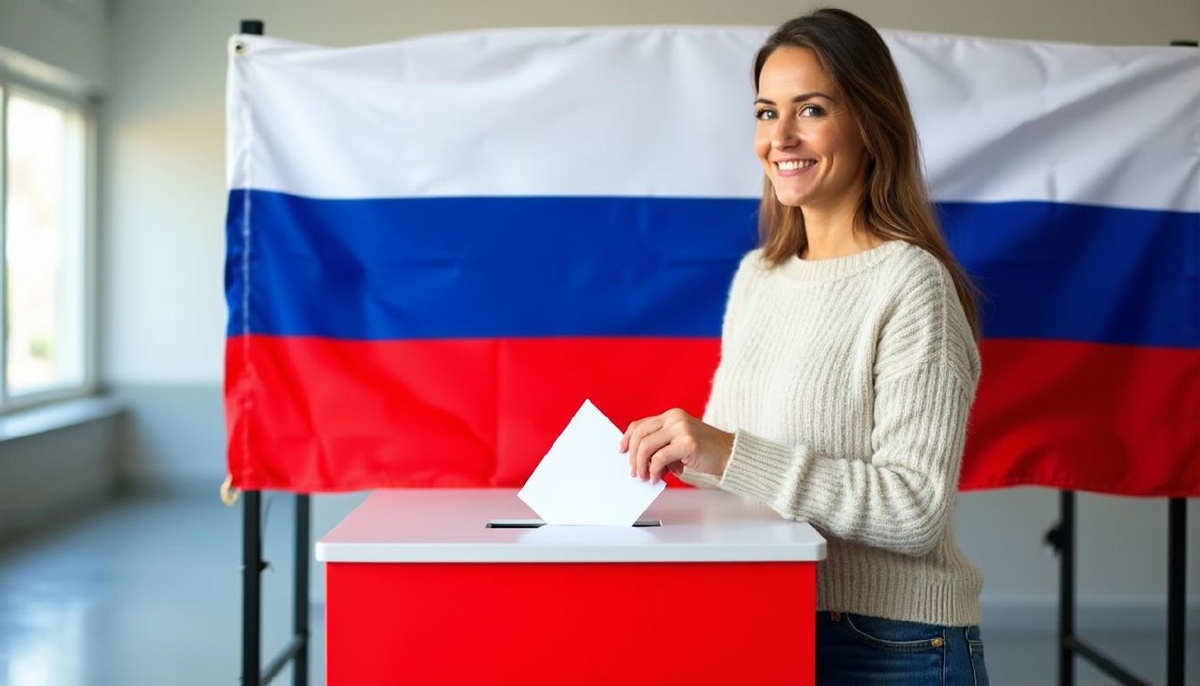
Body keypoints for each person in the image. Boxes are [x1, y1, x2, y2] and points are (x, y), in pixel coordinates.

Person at [619, 8, 989, 684]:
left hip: (893, 645)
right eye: (766, 113)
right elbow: (734, 470)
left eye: (810, 109)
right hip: (768, 615)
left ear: (870, 122)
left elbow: (915, 510)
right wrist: (677, 453)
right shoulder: (758, 277)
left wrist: (726, 451)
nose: (780, 137)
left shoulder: (913, 284)